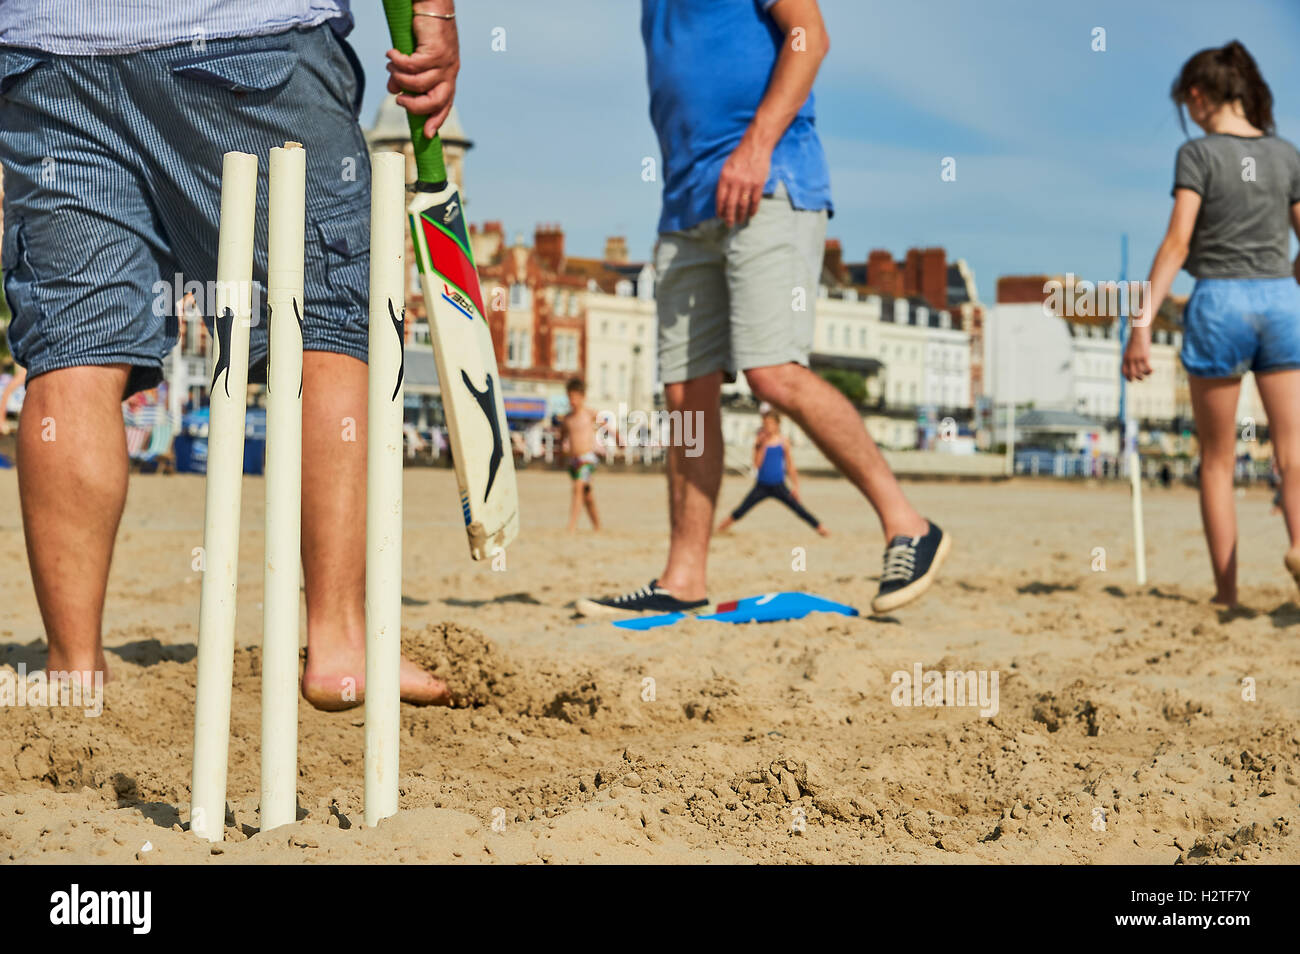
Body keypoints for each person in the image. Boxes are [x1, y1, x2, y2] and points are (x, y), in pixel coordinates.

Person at [0, 0, 461, 703]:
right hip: (244, 35)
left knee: (74, 345)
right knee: (326, 318)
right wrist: (432, 11)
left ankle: (72, 668)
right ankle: (339, 640)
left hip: (49, 54)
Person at [576, 0, 949, 618]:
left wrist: (755, 146)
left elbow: (810, 35)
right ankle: (684, 576)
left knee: (772, 372)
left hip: (770, 178)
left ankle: (908, 523)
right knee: (686, 394)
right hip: (686, 204)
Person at [1123, 40, 1300, 607]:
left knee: (1219, 461)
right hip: (1280, 300)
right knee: (1293, 452)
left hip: (1220, 303)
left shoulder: (1197, 155)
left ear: (1197, 97)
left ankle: (1227, 593)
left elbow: (1177, 242)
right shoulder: (1285, 154)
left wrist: (1142, 323)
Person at [716, 408, 829, 536]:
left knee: (797, 508)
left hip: (778, 485)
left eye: (770, 424)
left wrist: (796, 486)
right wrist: (761, 445)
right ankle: (720, 527)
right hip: (762, 485)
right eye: (765, 424)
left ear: (777, 425)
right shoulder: (759, 442)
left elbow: (790, 466)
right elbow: (757, 465)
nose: (768, 427)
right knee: (743, 508)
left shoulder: (783, 442)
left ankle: (820, 527)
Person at [560, 377, 601, 532]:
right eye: (570, 397)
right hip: (574, 460)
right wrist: (560, 455)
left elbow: (607, 426)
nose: (572, 400)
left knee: (578, 487)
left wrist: (618, 439)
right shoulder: (567, 419)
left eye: (575, 397)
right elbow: (562, 437)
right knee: (587, 495)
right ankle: (597, 525)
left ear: (583, 396)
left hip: (588, 458)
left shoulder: (589, 414)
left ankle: (572, 525)